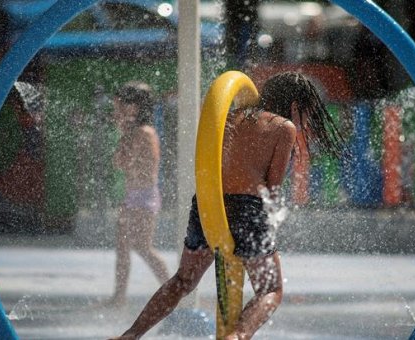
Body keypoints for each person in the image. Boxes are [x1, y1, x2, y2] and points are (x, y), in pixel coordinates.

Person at [109, 72, 345, 340]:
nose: (305, 123)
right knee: (270, 289)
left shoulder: (231, 117)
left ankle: (130, 335)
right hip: (247, 207)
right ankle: (238, 336)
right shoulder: (284, 128)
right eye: (307, 115)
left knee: (183, 281)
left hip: (208, 206)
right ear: (294, 107)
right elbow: (272, 187)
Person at [110, 81, 170, 306]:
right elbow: (121, 162)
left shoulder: (144, 133)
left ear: (133, 107)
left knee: (142, 247)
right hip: (133, 196)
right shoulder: (134, 131)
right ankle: (119, 297)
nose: (116, 111)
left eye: (119, 106)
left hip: (144, 197)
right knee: (123, 247)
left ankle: (174, 290)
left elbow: (121, 161)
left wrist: (122, 131)